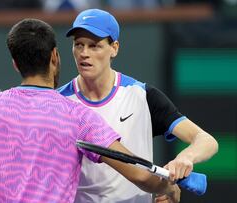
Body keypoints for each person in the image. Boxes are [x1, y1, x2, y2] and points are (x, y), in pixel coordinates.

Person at [0, 18, 179, 203]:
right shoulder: (79, 116)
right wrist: (168, 185)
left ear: (15, 64)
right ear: (55, 57)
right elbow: (141, 176)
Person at [57, 9, 218, 202]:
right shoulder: (58, 103)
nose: (84, 54)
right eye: (78, 45)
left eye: (94, 46)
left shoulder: (142, 96)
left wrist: (185, 158)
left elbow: (206, 140)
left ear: (114, 48)